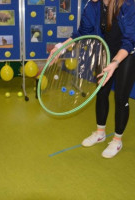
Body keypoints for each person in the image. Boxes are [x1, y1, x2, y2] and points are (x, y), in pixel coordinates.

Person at [48, 0, 135, 158]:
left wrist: (115, 63)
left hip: (127, 54)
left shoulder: (128, 4)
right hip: (104, 50)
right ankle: (100, 132)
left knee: (121, 97)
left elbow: (129, 40)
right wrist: (60, 47)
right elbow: (82, 33)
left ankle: (117, 139)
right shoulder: (92, 5)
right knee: (101, 91)